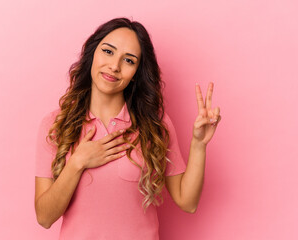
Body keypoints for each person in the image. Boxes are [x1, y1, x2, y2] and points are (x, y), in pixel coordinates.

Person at [34, 17, 221, 240]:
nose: (114, 66)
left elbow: (187, 202)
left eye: (129, 60)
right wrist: (77, 162)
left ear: (136, 74)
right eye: (108, 51)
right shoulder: (55, 125)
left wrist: (199, 144)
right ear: (92, 54)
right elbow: (45, 218)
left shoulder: (155, 124)